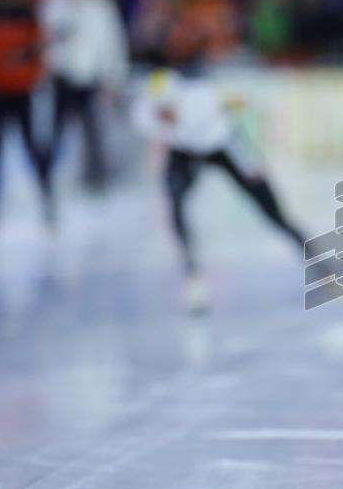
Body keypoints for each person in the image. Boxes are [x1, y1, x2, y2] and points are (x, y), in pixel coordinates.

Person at [130, 66, 307, 312]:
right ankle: (192, 273)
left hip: (223, 144)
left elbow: (243, 101)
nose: (166, 116)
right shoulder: (145, 114)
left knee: (271, 210)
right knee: (175, 201)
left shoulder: (202, 99)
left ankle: (307, 248)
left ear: (180, 100)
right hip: (185, 150)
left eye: (170, 110)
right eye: (161, 112)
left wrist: (253, 162)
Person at [38, 0, 128, 189]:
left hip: (92, 78)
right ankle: (45, 177)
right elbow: (44, 41)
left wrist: (115, 75)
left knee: (95, 131)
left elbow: (113, 41)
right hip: (63, 78)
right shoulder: (54, 2)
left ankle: (96, 178)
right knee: (55, 131)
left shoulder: (101, 3)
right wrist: (51, 68)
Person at [0, 0, 53, 227]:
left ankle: (47, 198)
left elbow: (37, 50)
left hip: (22, 92)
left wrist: (26, 74)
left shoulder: (27, 12)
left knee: (32, 145)